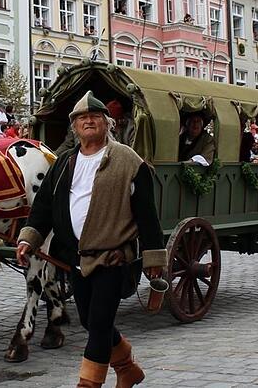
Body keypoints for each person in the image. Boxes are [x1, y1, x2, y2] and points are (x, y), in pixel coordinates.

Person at [15, 91, 166, 388]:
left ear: (107, 123)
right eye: (81, 118)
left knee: (97, 325)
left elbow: (147, 214)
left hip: (113, 257)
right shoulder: (64, 163)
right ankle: (127, 367)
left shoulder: (128, 161)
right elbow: (44, 206)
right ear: (74, 127)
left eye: (94, 116)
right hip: (76, 257)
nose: (88, 121)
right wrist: (29, 239)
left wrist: (154, 258)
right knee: (88, 320)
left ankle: (88, 384)